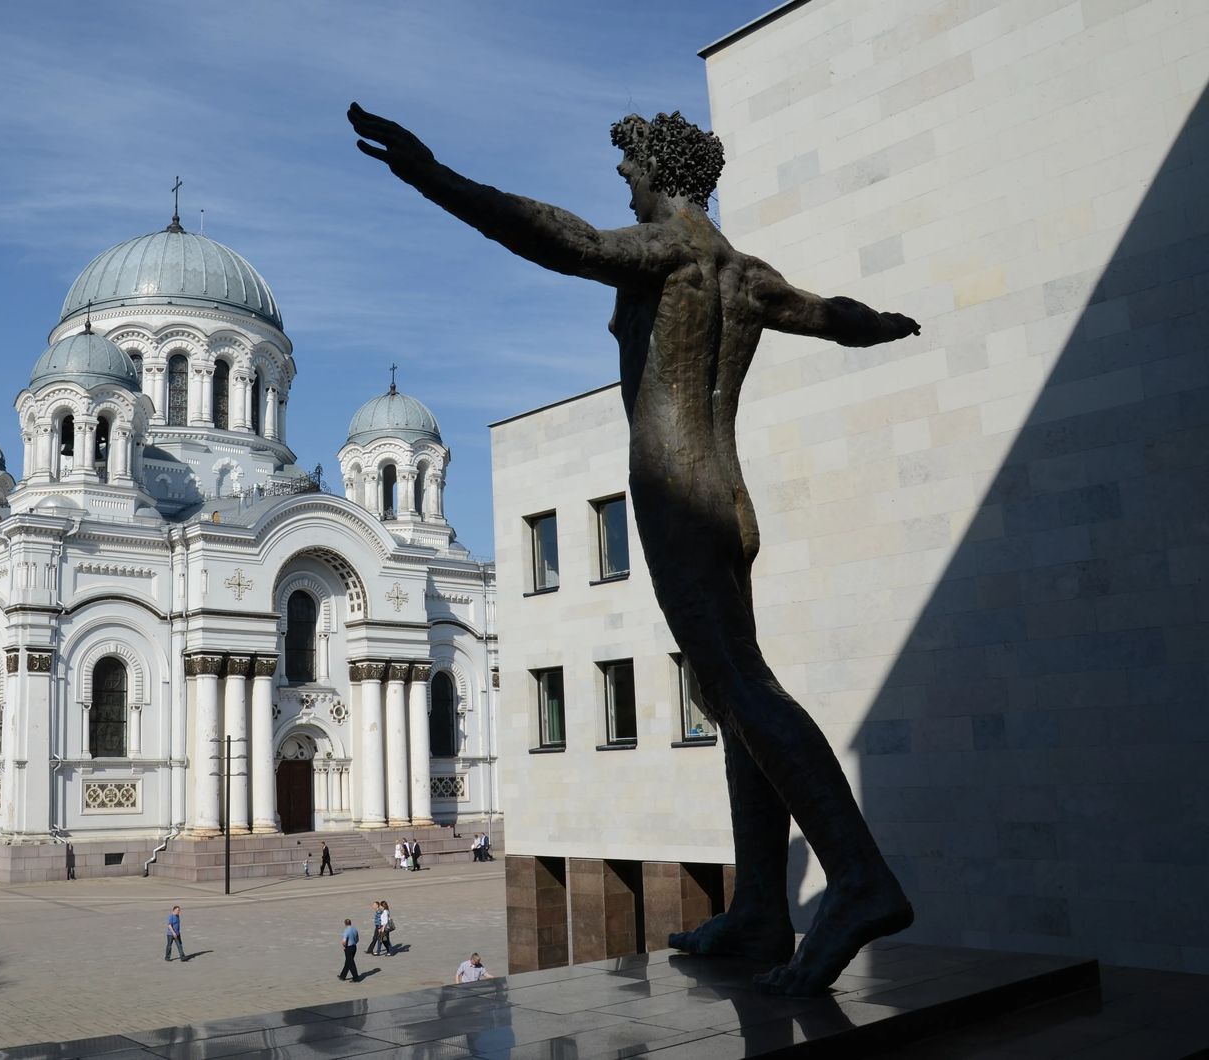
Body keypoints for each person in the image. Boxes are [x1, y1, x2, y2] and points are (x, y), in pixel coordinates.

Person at [348, 102, 920, 998]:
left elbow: (558, 237)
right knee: (732, 692)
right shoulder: (747, 271)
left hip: (675, 490)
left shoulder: (673, 252)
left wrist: (432, 176)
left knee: (738, 685)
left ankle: (857, 879)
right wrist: (879, 320)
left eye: (629, 168)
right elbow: (832, 313)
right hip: (727, 495)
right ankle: (766, 903)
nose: (622, 180)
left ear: (660, 169)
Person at [338, 918, 360, 983]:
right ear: (350, 923)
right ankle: (342, 976)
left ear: (345, 924)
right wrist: (354, 943)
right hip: (354, 947)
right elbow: (357, 939)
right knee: (348, 961)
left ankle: (356, 978)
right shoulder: (354, 929)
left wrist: (344, 946)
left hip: (349, 948)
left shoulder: (346, 931)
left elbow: (344, 941)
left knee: (351, 963)